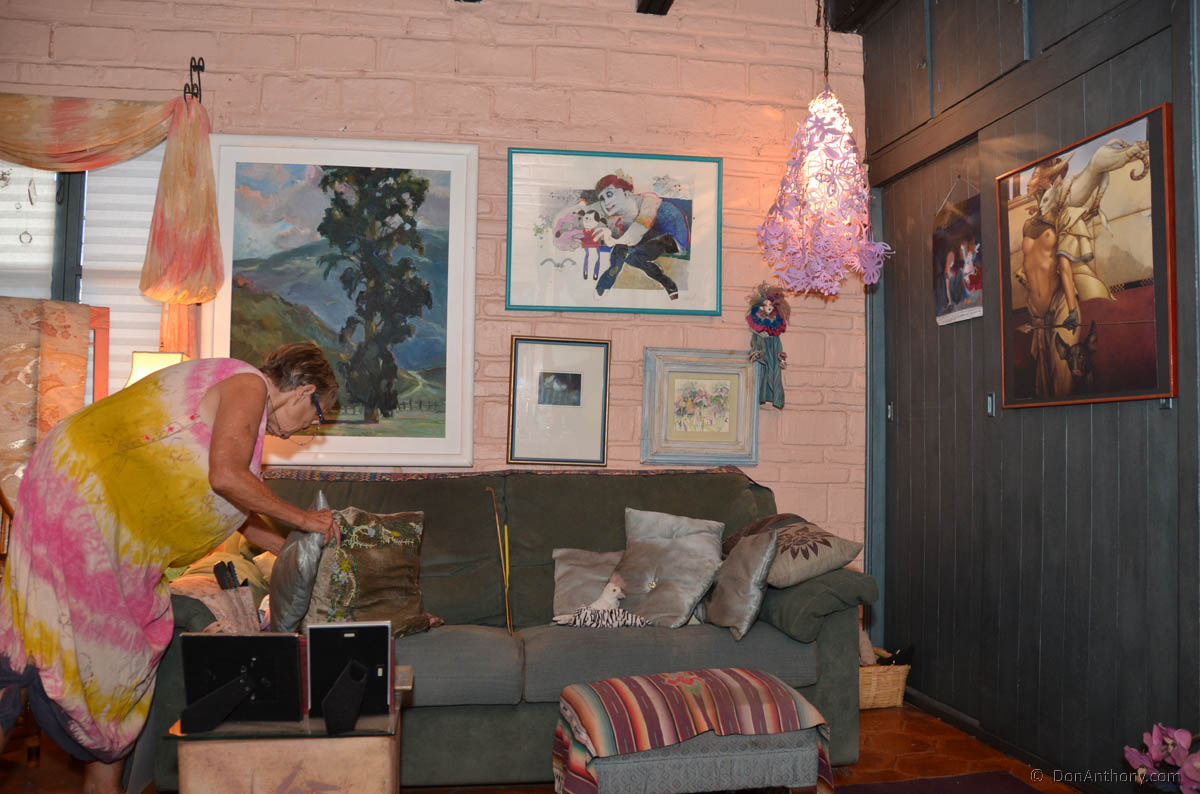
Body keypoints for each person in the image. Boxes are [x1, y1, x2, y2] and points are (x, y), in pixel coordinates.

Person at [0, 341, 339, 794]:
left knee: (107, 652)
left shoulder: (244, 409)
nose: (307, 430)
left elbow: (237, 508)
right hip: (87, 496)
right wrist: (306, 520)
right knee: (77, 648)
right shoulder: (248, 385)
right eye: (317, 417)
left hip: (98, 507)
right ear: (303, 392)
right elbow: (226, 477)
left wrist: (288, 550)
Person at [591, 174, 690, 299]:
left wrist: (611, 240)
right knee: (630, 257)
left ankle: (605, 283)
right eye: (602, 199)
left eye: (609, 194)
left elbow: (636, 233)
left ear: (626, 193)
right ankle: (669, 284)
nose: (606, 202)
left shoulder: (649, 201)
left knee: (624, 248)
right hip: (648, 240)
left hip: (672, 240)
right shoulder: (622, 216)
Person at [746, 283, 789, 409]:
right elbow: (757, 333)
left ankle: (775, 395)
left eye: (771, 305)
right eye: (766, 304)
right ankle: (763, 393)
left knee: (774, 370)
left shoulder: (775, 322)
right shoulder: (757, 320)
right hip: (761, 346)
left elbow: (776, 335)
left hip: (773, 346)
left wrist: (780, 358)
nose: (769, 307)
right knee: (762, 369)